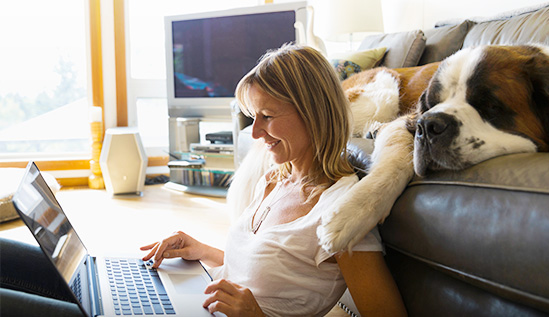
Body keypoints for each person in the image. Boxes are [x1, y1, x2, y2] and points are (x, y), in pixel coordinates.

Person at [141, 44, 407, 316]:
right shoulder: (273, 181)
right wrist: (201, 251)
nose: (255, 132)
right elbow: (266, 279)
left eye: (266, 116)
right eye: (253, 117)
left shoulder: (343, 212)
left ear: (312, 114)